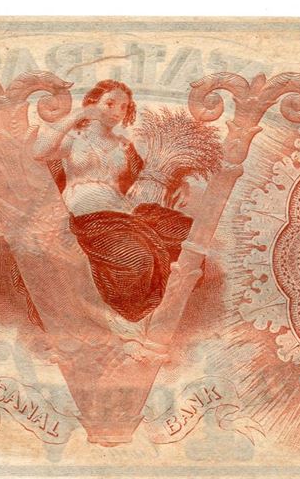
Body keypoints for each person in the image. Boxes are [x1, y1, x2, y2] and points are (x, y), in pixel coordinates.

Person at [30, 80, 193, 324]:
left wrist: (181, 183)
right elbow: (39, 152)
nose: (117, 112)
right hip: (90, 218)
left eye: (124, 107)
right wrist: (79, 114)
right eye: (110, 104)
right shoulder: (73, 140)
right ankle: (132, 317)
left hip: (125, 214)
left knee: (185, 231)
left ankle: (168, 305)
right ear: (92, 103)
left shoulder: (123, 146)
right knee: (139, 259)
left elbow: (148, 177)